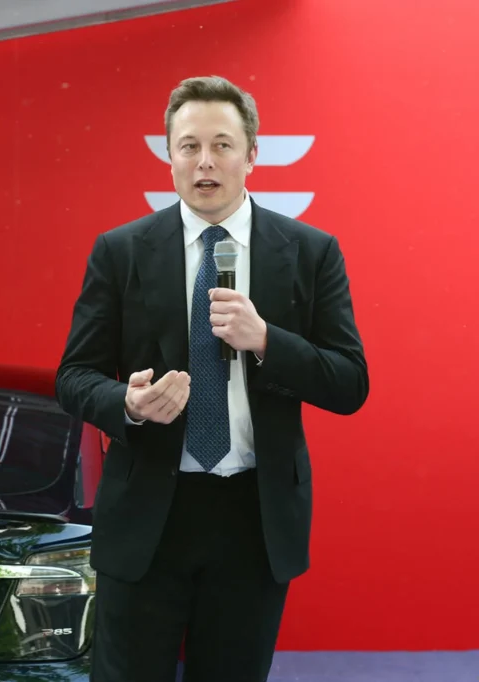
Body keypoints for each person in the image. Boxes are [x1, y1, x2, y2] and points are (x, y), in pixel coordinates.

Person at [56, 75, 368, 682]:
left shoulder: (310, 251)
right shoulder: (120, 252)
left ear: (253, 155)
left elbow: (348, 382)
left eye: (222, 145)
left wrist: (268, 341)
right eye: (188, 146)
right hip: (149, 514)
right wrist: (129, 402)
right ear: (168, 156)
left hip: (252, 520)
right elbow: (74, 376)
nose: (205, 162)